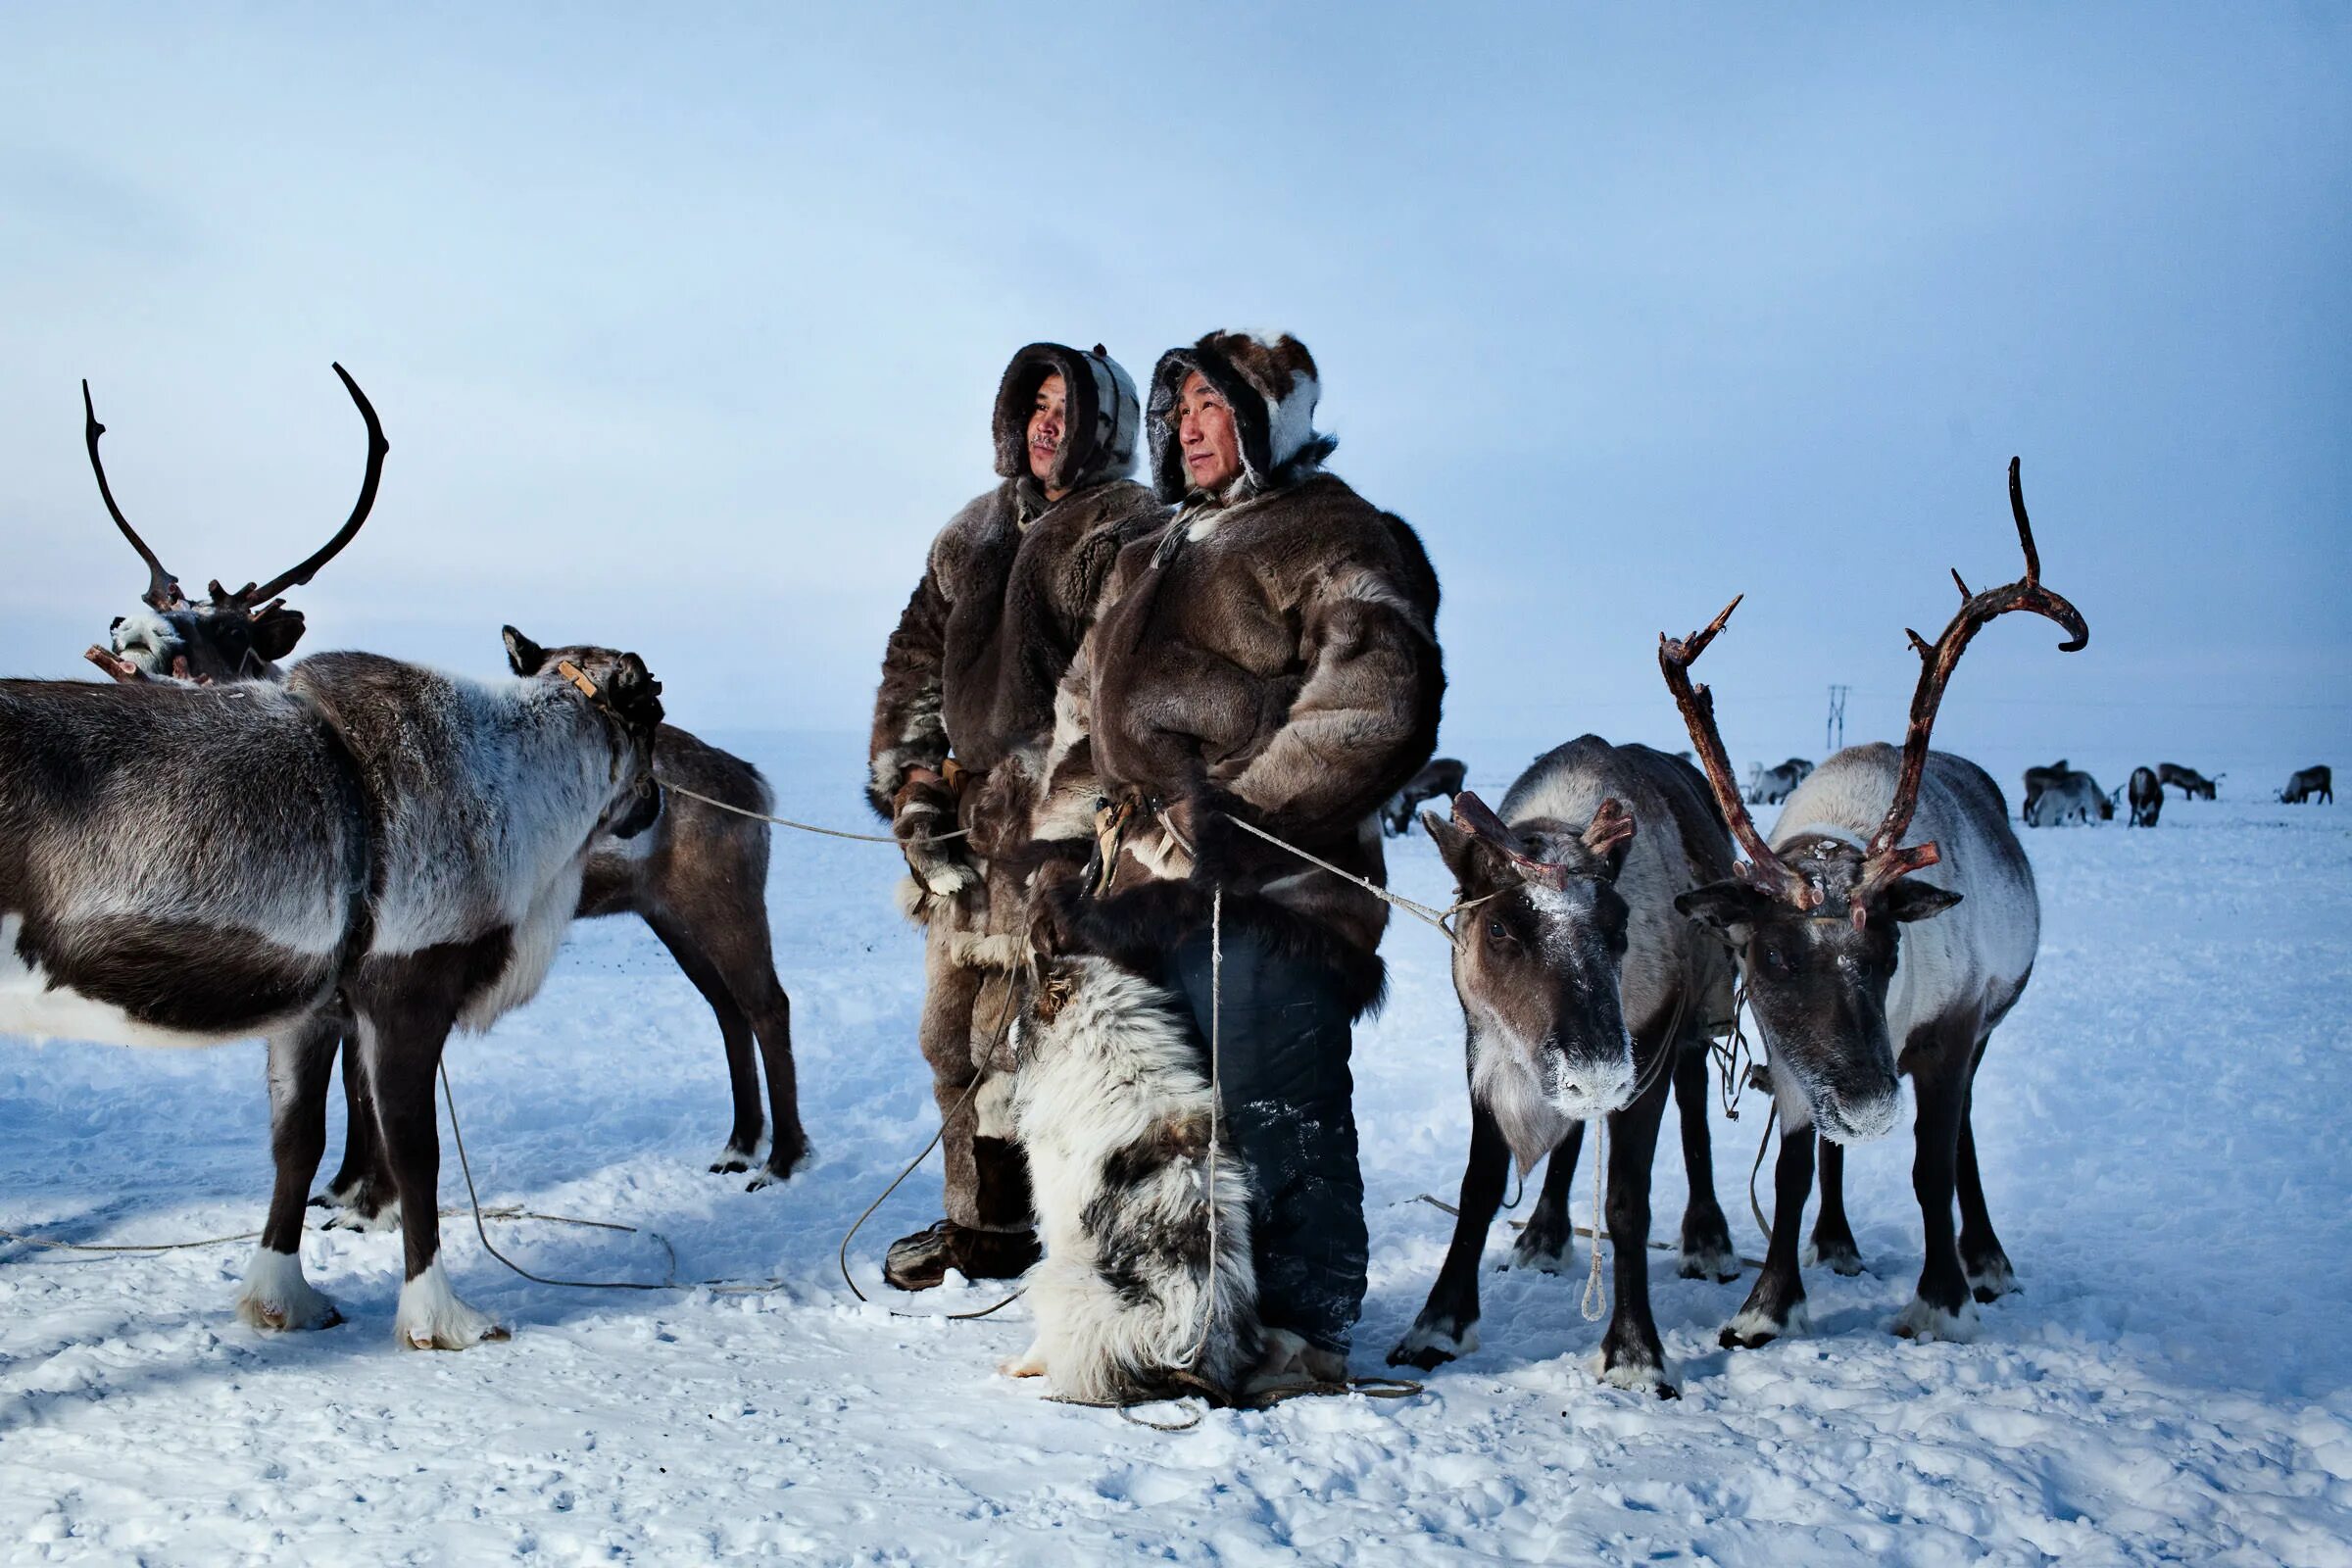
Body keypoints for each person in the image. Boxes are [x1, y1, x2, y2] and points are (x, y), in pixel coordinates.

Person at [1034, 331, 1444, 1387]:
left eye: (1215, 405)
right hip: (1137, 887)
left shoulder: (1334, 531)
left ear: (1270, 419)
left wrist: (1237, 819)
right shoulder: (1147, 552)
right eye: (1179, 410)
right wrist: (1059, 850)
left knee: (1273, 1096)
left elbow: (1375, 698)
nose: (1190, 426)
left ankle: (1306, 1329)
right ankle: (1181, 1314)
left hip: (1277, 885)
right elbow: (1085, 710)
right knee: (1165, 1121)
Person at [865, 343, 1165, 1291]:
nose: (1046, 421)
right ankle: (980, 1226)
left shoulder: (1127, 525)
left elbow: (1111, 682)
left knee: (1041, 1038)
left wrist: (1060, 811)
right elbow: (913, 659)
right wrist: (915, 788)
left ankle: (1059, 1238)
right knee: (950, 1035)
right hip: (961, 823)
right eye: (1032, 403)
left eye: (1064, 405)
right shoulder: (971, 532)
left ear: (1102, 422)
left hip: (1058, 832)